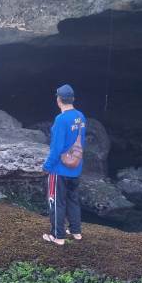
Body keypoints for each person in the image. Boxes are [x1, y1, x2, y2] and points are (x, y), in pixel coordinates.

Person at [42, 84, 86, 245]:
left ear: (59, 100)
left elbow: (56, 147)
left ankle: (58, 236)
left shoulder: (61, 119)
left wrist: (47, 166)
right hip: (76, 167)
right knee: (73, 199)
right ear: (72, 99)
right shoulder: (80, 116)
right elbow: (82, 141)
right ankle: (76, 231)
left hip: (59, 170)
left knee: (56, 202)